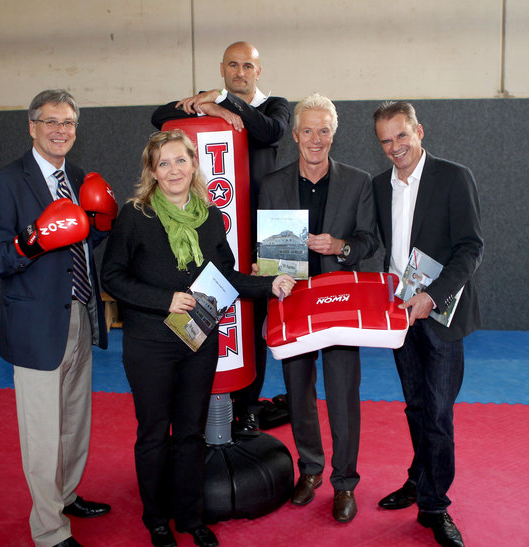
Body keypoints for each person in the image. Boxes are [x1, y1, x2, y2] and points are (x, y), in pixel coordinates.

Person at [100, 130, 295, 547]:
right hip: (149, 343)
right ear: (152, 171)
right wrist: (163, 300)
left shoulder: (208, 215)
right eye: (164, 163)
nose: (174, 170)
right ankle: (156, 518)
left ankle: (189, 517)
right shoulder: (136, 214)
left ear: (194, 165)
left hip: (197, 343)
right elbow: (112, 277)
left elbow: (225, 274)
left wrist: (270, 284)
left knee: (190, 432)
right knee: (154, 432)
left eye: (181, 161)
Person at [0, 89, 114, 547]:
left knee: (75, 418)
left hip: (79, 311)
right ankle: (50, 531)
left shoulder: (76, 177)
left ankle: (67, 494)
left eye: (69, 123)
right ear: (32, 126)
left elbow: (77, 243)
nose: (61, 131)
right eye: (51, 122)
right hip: (36, 322)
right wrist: (28, 242)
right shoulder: (6, 181)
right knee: (42, 429)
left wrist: (99, 229)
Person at [151, 41, 292, 436]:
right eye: (233, 65)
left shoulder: (274, 105)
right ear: (222, 68)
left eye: (248, 66)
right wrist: (205, 108)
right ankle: (204, 399)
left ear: (258, 71)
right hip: (216, 227)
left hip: (260, 235)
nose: (241, 72)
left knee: (254, 319)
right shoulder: (205, 103)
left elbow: (269, 131)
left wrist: (226, 103)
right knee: (208, 311)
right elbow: (159, 116)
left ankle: (247, 407)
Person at [258, 93, 379, 523]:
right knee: (299, 393)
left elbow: (370, 240)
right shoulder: (272, 185)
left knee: (345, 395)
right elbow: (264, 247)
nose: (315, 138)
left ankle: (345, 482)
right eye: (307, 130)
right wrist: (265, 267)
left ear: (334, 133)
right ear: (294, 135)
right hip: (293, 303)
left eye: (323, 130)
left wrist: (342, 246)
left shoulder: (359, 181)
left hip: (340, 304)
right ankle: (310, 470)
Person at [372, 101, 483, 547]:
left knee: (438, 413)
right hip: (400, 315)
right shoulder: (380, 186)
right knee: (415, 406)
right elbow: (378, 246)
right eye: (385, 140)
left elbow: (470, 248)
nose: (395, 146)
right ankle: (419, 477)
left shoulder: (454, 177)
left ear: (419, 130)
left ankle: (435, 507)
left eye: (401, 135)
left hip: (440, 314)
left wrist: (432, 294)